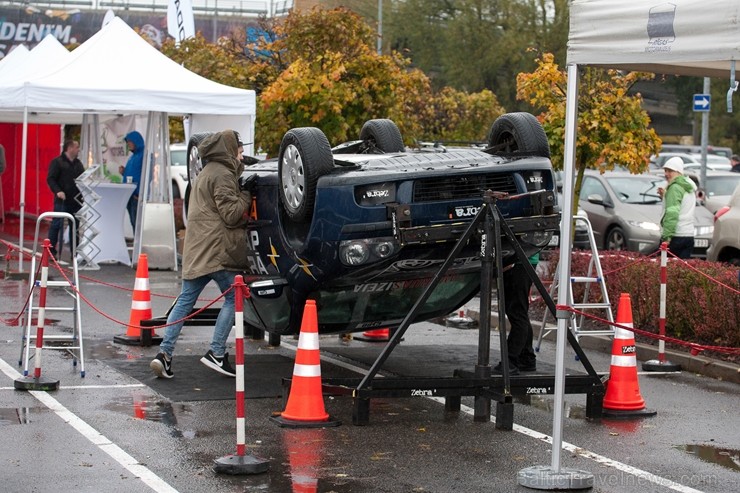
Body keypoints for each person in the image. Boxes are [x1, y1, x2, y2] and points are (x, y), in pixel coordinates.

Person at [151, 130, 252, 379]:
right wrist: (247, 194)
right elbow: (230, 214)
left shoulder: (206, 171)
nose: (241, 157)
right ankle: (216, 353)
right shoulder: (224, 174)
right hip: (216, 250)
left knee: (185, 301)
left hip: (197, 249)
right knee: (233, 298)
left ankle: (164, 354)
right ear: (229, 150)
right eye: (239, 152)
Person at [493, 253, 539, 376]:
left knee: (517, 312)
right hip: (523, 260)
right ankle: (526, 357)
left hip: (518, 261)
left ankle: (510, 361)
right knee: (519, 311)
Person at [46, 139, 85, 258]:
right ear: (70, 148)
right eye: (76, 147)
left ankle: (75, 252)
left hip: (76, 200)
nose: (78, 149)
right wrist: (58, 191)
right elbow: (51, 179)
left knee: (75, 226)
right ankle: (51, 251)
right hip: (62, 199)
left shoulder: (78, 164)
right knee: (56, 224)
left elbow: (82, 178)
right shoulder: (57, 162)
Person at [658, 157, 696, 259]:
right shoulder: (688, 185)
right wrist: (665, 196)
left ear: (679, 171)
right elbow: (683, 206)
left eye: (670, 171)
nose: (666, 174)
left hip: (675, 236)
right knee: (682, 271)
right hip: (688, 235)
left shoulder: (675, 188)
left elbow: (672, 213)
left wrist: (667, 238)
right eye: (665, 170)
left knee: (666, 271)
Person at [118, 131, 145, 231]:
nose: (128, 144)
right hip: (130, 196)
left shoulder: (144, 156)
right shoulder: (132, 157)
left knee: (137, 224)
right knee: (134, 223)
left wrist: (140, 193)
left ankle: (138, 245)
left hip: (136, 196)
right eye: (127, 142)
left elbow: (147, 175)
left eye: (130, 141)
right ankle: (136, 245)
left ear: (136, 141)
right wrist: (124, 172)